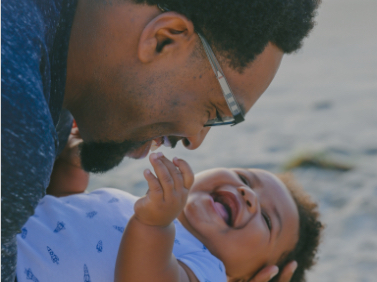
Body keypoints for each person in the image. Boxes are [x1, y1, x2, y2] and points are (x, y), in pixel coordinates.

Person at [2, 0, 321, 280]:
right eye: (214, 111)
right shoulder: (18, 133)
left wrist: (69, 163)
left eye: (267, 219)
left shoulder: (41, 104)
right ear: (164, 39)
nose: (195, 140)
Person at [17, 145, 322, 282]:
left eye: (268, 220)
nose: (248, 194)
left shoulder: (206, 270)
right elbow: (67, 216)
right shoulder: (143, 209)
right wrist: (74, 166)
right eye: (244, 178)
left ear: (245, 278)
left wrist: (154, 224)